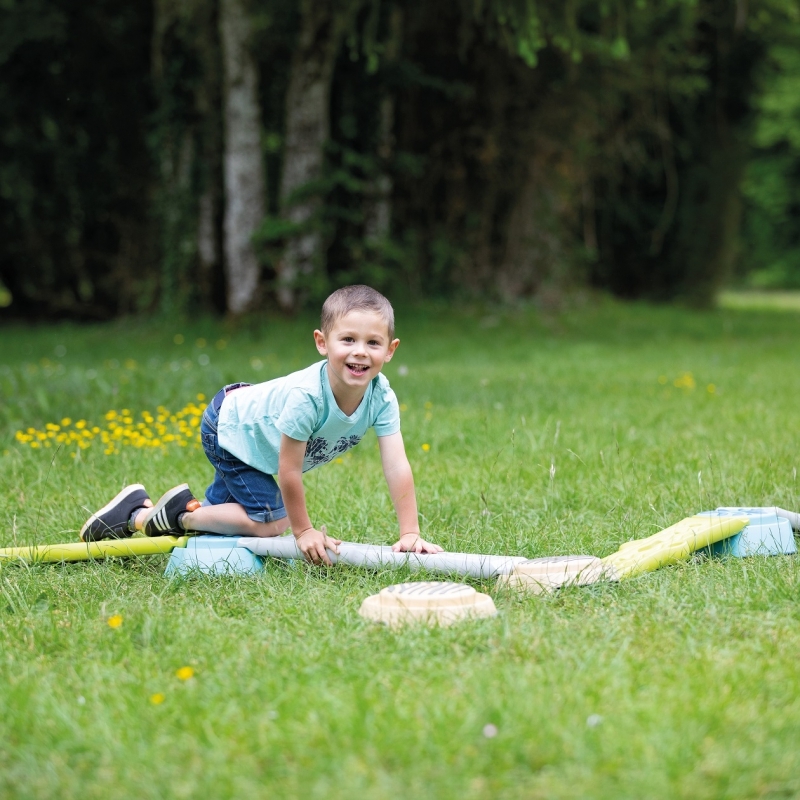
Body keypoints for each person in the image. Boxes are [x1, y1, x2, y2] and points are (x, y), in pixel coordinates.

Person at [80, 285, 442, 565]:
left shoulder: (381, 397)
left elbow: (396, 464)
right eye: (347, 339)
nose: (360, 351)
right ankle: (173, 515)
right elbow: (289, 471)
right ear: (322, 342)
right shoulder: (308, 397)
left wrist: (410, 533)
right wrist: (302, 532)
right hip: (231, 428)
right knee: (270, 521)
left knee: (227, 519)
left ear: (390, 350)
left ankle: (134, 515)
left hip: (252, 436)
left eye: (373, 343)